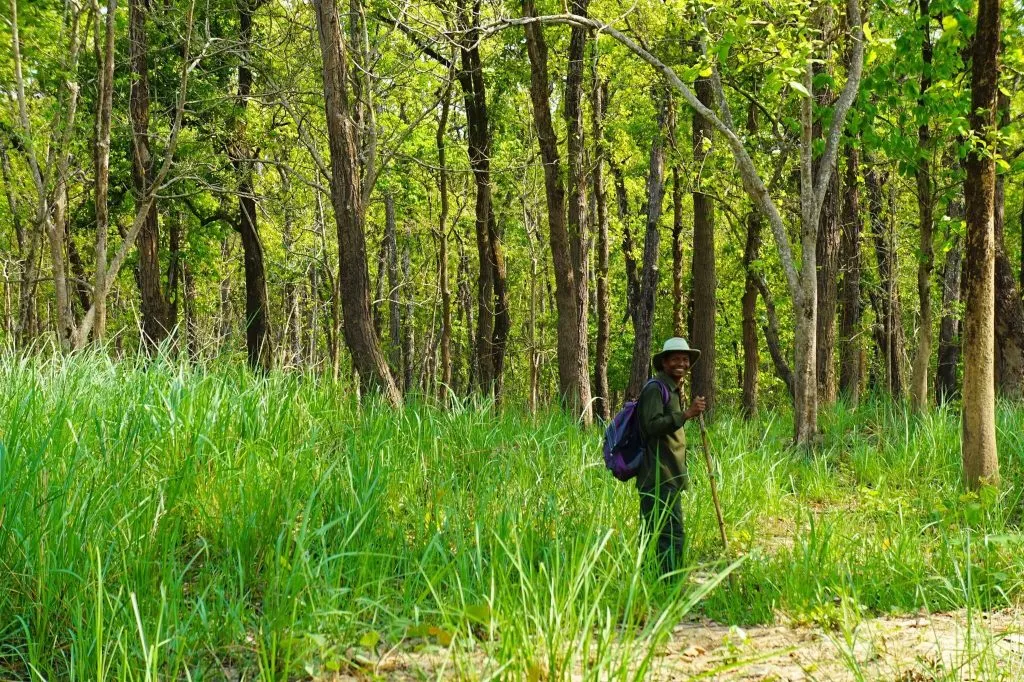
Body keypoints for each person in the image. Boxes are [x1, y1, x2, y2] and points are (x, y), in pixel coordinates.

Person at [637, 337, 706, 575]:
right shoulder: (656, 389)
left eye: (685, 359)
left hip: (670, 474)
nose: (681, 363)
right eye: (675, 359)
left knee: (659, 530)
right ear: (664, 363)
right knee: (669, 532)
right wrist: (686, 414)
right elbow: (652, 425)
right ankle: (669, 584)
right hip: (658, 475)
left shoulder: (672, 389)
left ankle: (654, 580)